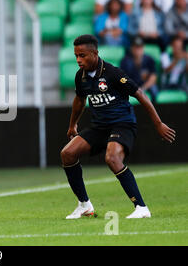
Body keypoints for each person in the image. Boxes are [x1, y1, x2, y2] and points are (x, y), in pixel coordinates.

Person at [60, 34, 175, 220]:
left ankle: (141, 207)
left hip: (122, 124)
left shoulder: (113, 73)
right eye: (76, 56)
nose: (78, 60)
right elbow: (80, 101)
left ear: (95, 53)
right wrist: (72, 125)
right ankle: (84, 206)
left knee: (112, 158)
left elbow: (140, 95)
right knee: (67, 154)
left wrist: (158, 123)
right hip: (99, 127)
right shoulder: (80, 77)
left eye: (82, 55)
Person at [120, 36, 159, 101]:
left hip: (145, 85)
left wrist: (143, 88)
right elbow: (123, 79)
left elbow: (153, 77)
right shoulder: (125, 61)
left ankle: (154, 110)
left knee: (154, 89)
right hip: (132, 86)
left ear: (143, 48)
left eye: (140, 47)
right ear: (131, 48)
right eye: (136, 47)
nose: (138, 50)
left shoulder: (149, 59)